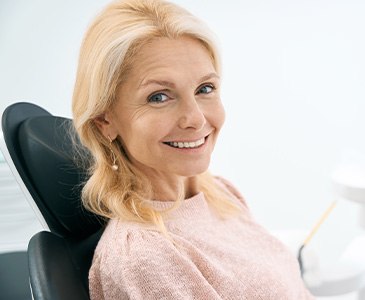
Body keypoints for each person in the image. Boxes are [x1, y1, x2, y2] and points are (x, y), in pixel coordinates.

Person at [72, 0, 314, 299]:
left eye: (205, 89)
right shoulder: (145, 257)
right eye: (159, 97)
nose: (196, 119)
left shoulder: (219, 193)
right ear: (104, 121)